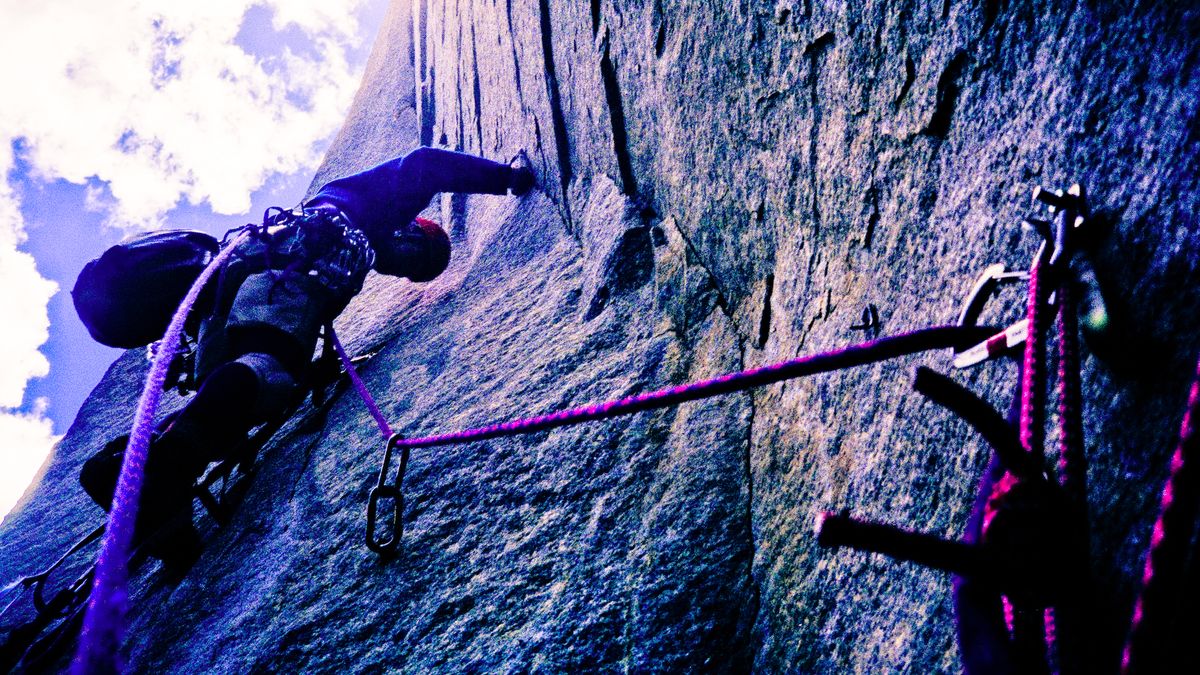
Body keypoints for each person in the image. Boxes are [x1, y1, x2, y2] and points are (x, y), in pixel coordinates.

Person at [78, 147, 535, 569]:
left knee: (242, 386)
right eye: (419, 250)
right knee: (270, 371)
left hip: (230, 303)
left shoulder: (336, 233)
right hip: (280, 275)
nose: (407, 262)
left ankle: (129, 468)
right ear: (409, 226)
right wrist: (507, 177)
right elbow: (423, 166)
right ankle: (171, 465)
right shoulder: (355, 206)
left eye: (415, 267)